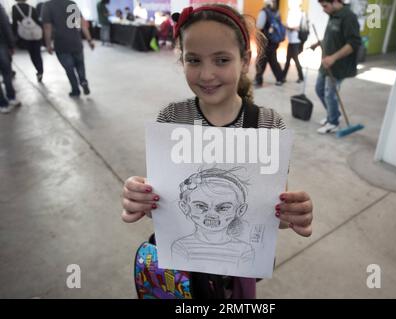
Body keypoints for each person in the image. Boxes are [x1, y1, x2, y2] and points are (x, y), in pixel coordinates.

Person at [121, 4, 313, 299]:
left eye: (222, 60)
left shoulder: (267, 125)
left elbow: (273, 215)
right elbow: (165, 206)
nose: (207, 74)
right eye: (194, 60)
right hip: (180, 275)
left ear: (245, 60)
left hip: (236, 276)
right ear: (181, 59)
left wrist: (292, 214)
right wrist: (140, 198)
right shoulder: (172, 120)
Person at [172, 168, 255, 268]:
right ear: (185, 207)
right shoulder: (181, 246)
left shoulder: (244, 250)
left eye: (223, 208)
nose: (211, 215)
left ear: (240, 210)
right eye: (200, 206)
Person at [311, 0, 361, 134]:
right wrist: (319, 43)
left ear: (335, 2)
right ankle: (333, 115)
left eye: (325, 6)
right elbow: (334, 37)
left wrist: (333, 58)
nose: (323, 9)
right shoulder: (333, 15)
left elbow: (354, 43)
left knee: (330, 94)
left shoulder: (348, 17)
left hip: (338, 65)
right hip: (326, 63)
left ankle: (333, 123)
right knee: (319, 89)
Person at [42, 0, 95, 97]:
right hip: (76, 41)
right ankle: (83, 81)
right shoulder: (72, 3)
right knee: (80, 64)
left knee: (69, 68)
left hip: (61, 43)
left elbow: (47, 27)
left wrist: (48, 44)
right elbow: (82, 24)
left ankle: (75, 90)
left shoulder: (47, 6)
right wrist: (89, 40)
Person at [254, 0, 285, 87]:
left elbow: (259, 25)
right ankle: (280, 78)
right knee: (271, 60)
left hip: (266, 40)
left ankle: (259, 80)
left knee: (262, 60)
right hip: (275, 41)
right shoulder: (276, 13)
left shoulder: (264, 12)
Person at [12, 0, 44, 82]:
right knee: (37, 53)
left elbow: (15, 23)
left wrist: (14, 37)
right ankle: (40, 70)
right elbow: (38, 21)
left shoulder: (15, 8)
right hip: (36, 33)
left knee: (32, 53)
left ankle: (38, 70)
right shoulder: (31, 8)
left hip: (25, 34)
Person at [0, 3, 21, 113]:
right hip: (1, 45)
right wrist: (11, 44)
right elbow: (5, 25)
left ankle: (2, 104)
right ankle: (12, 98)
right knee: (7, 73)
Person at [282, 8, 308, 83]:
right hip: (291, 42)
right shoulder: (291, 15)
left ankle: (301, 77)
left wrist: (290, 28)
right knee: (288, 60)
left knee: (295, 60)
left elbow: (299, 28)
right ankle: (283, 77)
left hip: (296, 42)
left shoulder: (300, 15)